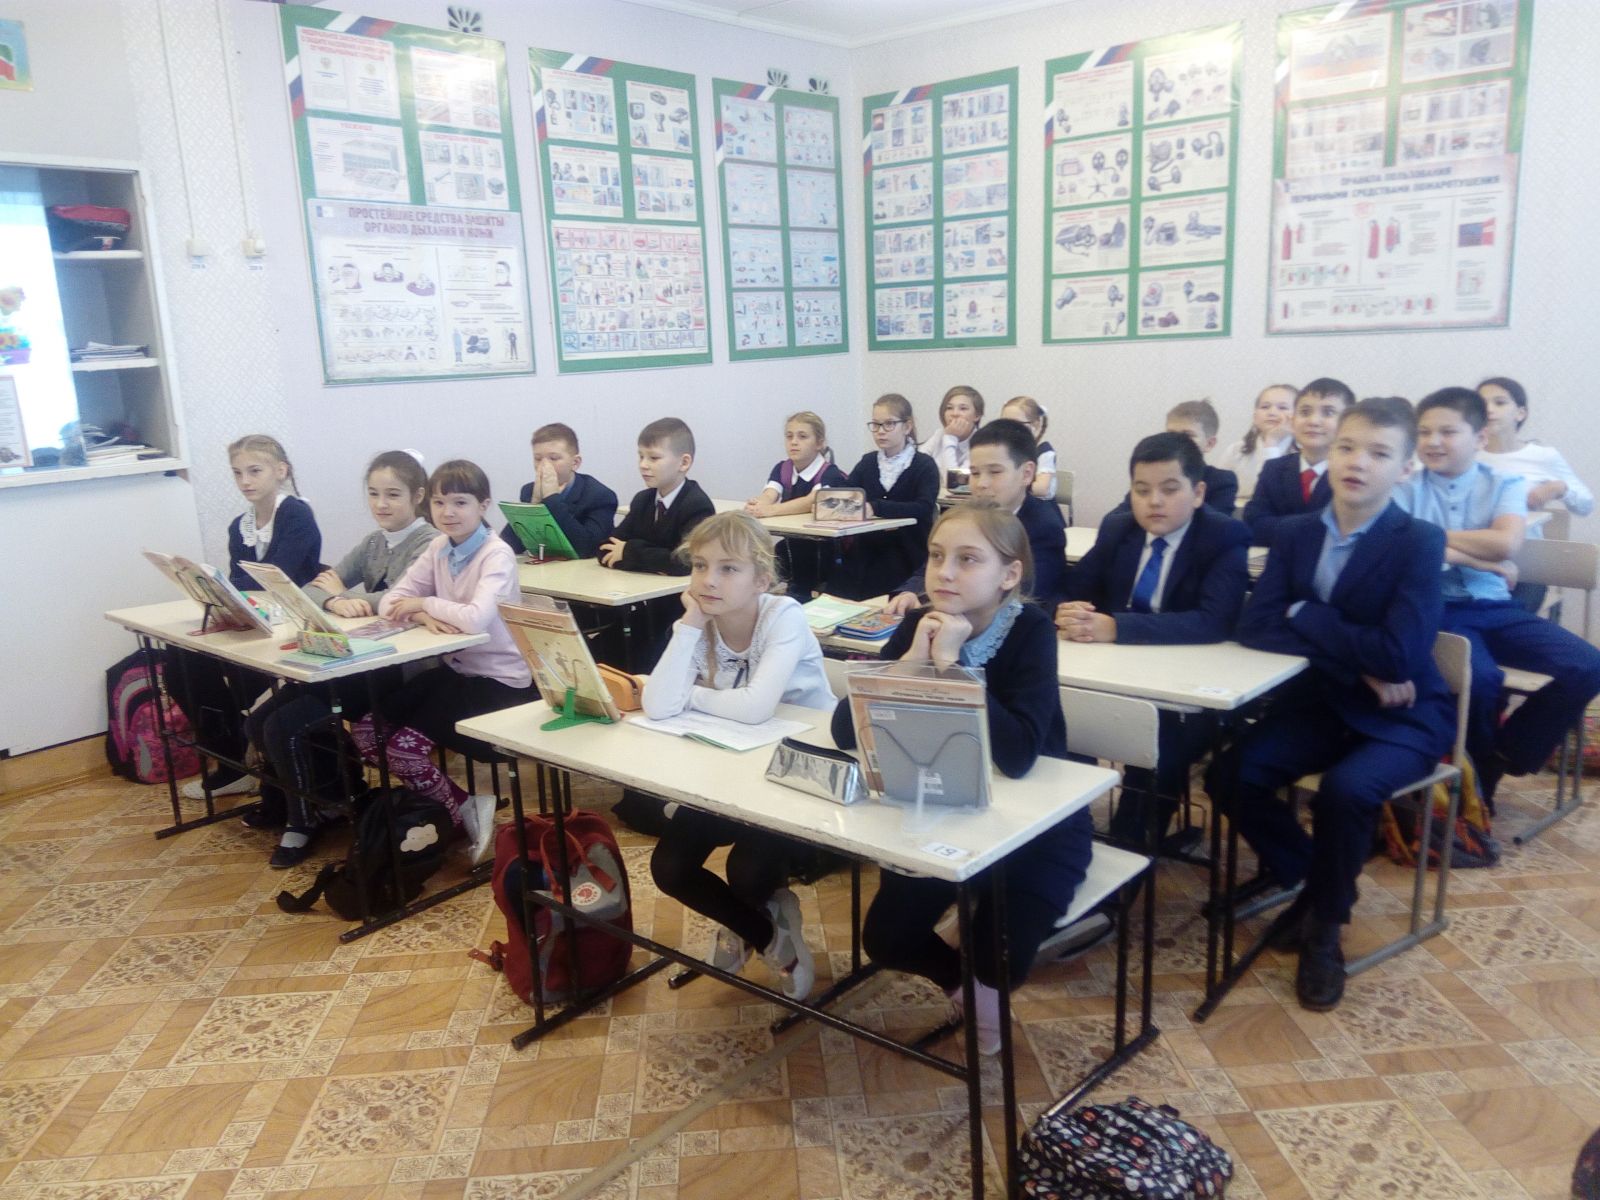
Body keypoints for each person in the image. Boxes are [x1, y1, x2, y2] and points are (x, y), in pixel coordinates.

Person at [1214, 396, 1453, 1011]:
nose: (1357, 462)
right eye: (1347, 447)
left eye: (1379, 453)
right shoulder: (1296, 533)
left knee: (1346, 792)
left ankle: (1325, 931)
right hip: (1325, 701)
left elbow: (1400, 655)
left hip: (1402, 715)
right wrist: (1355, 664)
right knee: (1231, 774)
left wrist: (1307, 611)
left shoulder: (1419, 541)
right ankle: (1314, 880)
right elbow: (1256, 627)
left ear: (1405, 468)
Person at [832, 503, 1091, 1054]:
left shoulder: (1030, 631)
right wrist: (912, 661)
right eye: (936, 556)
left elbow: (1018, 756)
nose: (944, 572)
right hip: (942, 812)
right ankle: (963, 987)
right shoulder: (918, 623)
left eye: (967, 560)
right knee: (887, 938)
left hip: (1035, 827)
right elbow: (843, 730)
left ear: (1009, 574)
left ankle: (982, 958)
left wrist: (952, 667)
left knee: (999, 957)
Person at [645, 512, 835, 1000]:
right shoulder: (700, 622)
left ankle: (757, 918)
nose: (709, 580)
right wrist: (689, 624)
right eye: (700, 565)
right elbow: (658, 704)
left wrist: (692, 696)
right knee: (670, 867)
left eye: (728, 568)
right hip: (735, 763)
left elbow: (754, 708)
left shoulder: (783, 615)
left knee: (746, 871)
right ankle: (765, 932)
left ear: (761, 580)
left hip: (803, 769)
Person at [1395, 387, 1600, 806]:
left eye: (1448, 432)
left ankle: (1502, 755)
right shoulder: (1405, 488)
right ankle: (1474, 789)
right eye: (1425, 432)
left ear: (1480, 438)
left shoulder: (1504, 483)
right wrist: (1478, 554)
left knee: (1588, 664)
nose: (1433, 441)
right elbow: (1403, 552)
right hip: (1437, 608)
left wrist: (1432, 538)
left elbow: (1506, 544)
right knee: (1481, 680)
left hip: (1495, 605)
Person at [1058, 432, 1250, 847]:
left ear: (1198, 493)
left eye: (1169, 489)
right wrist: (1067, 610)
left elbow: (1214, 621)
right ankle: (1069, 834)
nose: (1154, 502)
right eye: (1141, 490)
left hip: (1187, 689)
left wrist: (1118, 628)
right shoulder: (1119, 528)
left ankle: (1132, 849)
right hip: (1114, 675)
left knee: (1161, 746)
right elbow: (1075, 587)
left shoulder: (1224, 536)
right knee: (1061, 719)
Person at [245, 450, 434, 867]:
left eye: (393, 495)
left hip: (400, 669)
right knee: (258, 721)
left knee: (282, 726)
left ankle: (303, 821)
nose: (381, 504)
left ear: (418, 496)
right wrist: (335, 598)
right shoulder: (374, 542)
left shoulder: (429, 542)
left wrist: (347, 595)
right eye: (373, 494)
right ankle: (330, 796)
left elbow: (402, 599)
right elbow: (312, 590)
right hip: (361, 659)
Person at [353, 460, 536, 864]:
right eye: (439, 502)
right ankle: (464, 804)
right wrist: (420, 615)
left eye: (460, 502)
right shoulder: (439, 547)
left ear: (483, 505)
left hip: (499, 682)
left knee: (402, 751)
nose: (448, 512)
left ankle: (449, 823)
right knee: (366, 733)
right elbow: (389, 601)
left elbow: (475, 618)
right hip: (457, 672)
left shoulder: (497, 555)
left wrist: (424, 602)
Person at [173, 434, 323, 802]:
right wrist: (214, 590)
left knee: (218, 674)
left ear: (280, 471)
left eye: (254, 471)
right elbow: (239, 582)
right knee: (180, 664)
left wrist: (227, 590)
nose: (245, 481)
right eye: (237, 473)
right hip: (257, 621)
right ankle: (232, 758)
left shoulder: (296, 514)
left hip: (293, 626)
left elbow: (275, 575)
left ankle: (238, 753)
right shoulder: (239, 526)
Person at [885, 418, 1066, 613]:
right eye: (975, 473)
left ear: (1027, 474)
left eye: (994, 472)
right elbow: (934, 565)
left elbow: (1023, 596)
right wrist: (911, 593)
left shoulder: (1044, 528)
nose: (981, 484)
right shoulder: (966, 518)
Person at [829, 393, 940, 600]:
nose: (880, 431)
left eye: (889, 424)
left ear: (907, 426)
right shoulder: (868, 462)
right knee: (838, 581)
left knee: (884, 577)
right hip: (867, 552)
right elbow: (847, 492)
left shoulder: (924, 465)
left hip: (908, 552)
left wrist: (876, 507)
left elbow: (923, 507)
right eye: (876, 425)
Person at [744, 410, 849, 599]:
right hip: (794, 544)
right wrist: (758, 505)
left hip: (824, 551)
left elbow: (812, 501)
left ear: (819, 443)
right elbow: (770, 493)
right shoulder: (782, 468)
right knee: (767, 561)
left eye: (802, 437)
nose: (794, 442)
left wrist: (770, 510)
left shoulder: (830, 473)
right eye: (789, 436)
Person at [1243, 377, 1356, 546]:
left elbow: (1342, 531)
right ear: (1293, 420)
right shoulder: (1274, 468)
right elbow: (1254, 524)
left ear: (1348, 422)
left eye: (1328, 412)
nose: (1313, 421)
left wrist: (1283, 527)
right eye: (1305, 412)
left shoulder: (1352, 473)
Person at [600, 417, 715, 575]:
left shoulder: (697, 505)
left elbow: (685, 562)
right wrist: (655, 560)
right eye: (641, 456)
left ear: (684, 463)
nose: (643, 465)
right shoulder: (642, 500)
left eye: (654, 458)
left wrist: (630, 552)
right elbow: (606, 549)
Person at [1476, 376, 1593, 519]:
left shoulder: (1543, 456)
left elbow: (1586, 506)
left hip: (1527, 533)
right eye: (1481, 405)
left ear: (1520, 413)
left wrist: (1559, 488)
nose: (1488, 409)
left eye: (1500, 403)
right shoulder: (1465, 455)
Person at [501, 422, 619, 560]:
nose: (544, 465)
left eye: (553, 458)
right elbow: (508, 545)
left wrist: (551, 498)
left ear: (575, 463)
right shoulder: (528, 491)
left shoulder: (599, 495)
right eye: (538, 459)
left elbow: (587, 548)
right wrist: (534, 504)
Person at [1110, 400, 1238, 518]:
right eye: (1171, 434)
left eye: (1187, 435)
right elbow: (1114, 519)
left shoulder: (1222, 481)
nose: (1177, 441)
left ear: (1209, 444)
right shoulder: (1151, 477)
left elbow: (1217, 525)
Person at [1222, 383, 1297, 498]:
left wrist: (1272, 441)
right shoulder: (1235, 450)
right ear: (1255, 416)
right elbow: (1219, 491)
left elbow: (1274, 494)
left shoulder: (1303, 453)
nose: (1272, 412)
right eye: (1265, 407)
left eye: (1282, 408)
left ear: (1297, 416)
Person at [1000, 395, 1058, 500]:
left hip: (1037, 505)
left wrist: (1011, 485)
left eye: (1017, 424)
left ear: (1035, 425)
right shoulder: (1004, 449)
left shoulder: (1044, 452)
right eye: (1005, 424)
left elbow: (1042, 489)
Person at [918, 384, 985, 474]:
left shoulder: (982, 445)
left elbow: (953, 480)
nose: (955, 413)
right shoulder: (940, 434)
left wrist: (950, 438)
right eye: (949, 408)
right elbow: (916, 463)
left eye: (963, 408)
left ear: (977, 415)